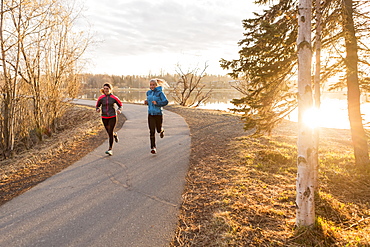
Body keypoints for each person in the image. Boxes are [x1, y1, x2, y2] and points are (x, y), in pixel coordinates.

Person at [96, 83, 122, 156]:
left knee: (110, 132)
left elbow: (120, 105)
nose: (106, 90)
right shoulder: (101, 98)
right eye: (104, 89)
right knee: (109, 132)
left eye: (107, 89)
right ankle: (115, 134)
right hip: (104, 117)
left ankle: (110, 149)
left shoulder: (114, 97)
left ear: (110, 89)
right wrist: (97, 109)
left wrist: (119, 110)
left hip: (112, 116)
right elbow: (97, 106)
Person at [144, 78, 169, 154]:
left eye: (153, 85)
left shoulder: (160, 93)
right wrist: (147, 102)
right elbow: (150, 102)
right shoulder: (148, 93)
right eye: (151, 85)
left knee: (158, 130)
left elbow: (166, 102)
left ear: (156, 85)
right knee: (152, 131)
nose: (152, 86)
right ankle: (153, 147)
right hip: (150, 114)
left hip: (158, 114)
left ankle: (161, 130)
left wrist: (157, 103)